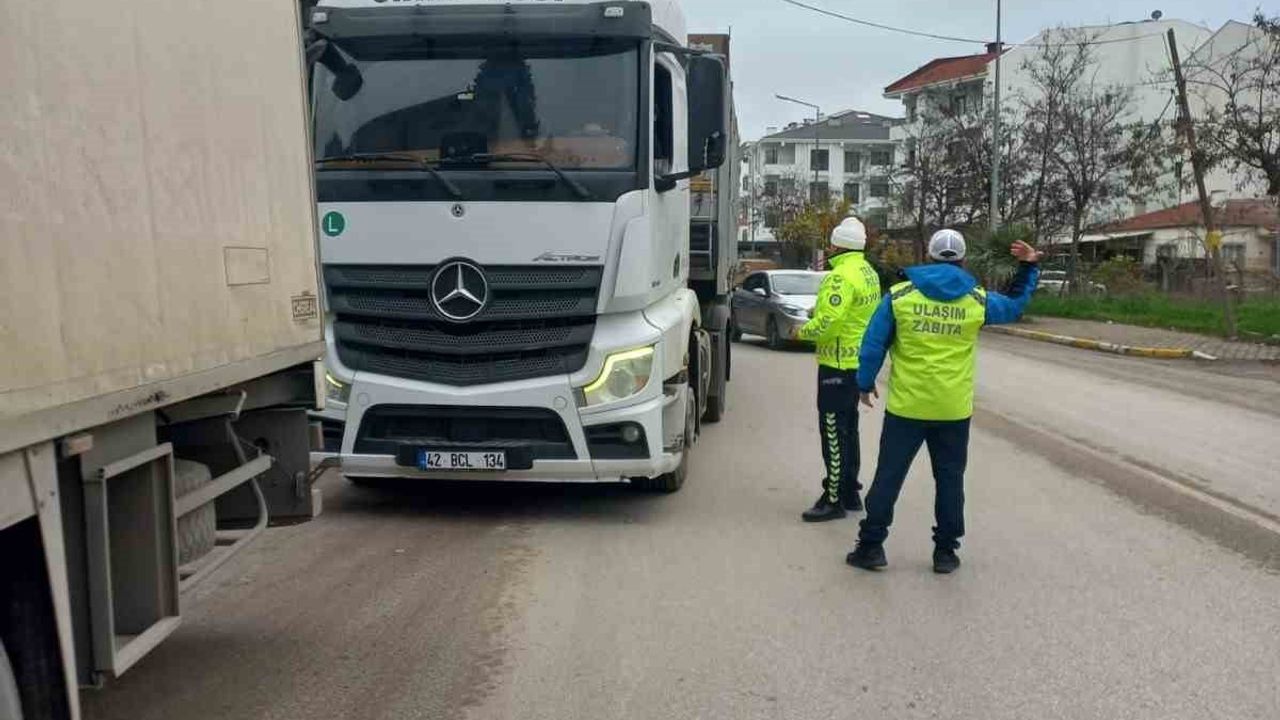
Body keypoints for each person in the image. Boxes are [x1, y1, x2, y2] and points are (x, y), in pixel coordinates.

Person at [846, 229, 1042, 572]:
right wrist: (1029, 267)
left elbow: (874, 342)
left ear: (929, 256)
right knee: (950, 480)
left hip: (907, 408)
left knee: (889, 477)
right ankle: (946, 553)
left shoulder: (900, 295)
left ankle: (871, 546)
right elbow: (1012, 306)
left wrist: (864, 382)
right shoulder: (977, 300)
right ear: (962, 259)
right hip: (953, 409)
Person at [796, 217, 883, 522]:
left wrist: (802, 330)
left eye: (831, 242)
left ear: (837, 244)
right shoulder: (868, 272)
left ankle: (832, 498)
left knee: (833, 432)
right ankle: (850, 491)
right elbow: (857, 314)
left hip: (836, 364)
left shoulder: (839, 276)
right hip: (857, 364)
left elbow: (830, 324)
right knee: (850, 431)